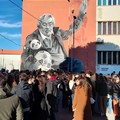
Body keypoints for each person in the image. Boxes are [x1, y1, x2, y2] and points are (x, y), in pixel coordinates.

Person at [21, 0, 88, 71]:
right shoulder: (32, 37)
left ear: (53, 25)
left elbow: (72, 30)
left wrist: (81, 14)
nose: (47, 27)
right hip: (46, 64)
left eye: (50, 24)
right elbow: (25, 54)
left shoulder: (58, 33)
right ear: (39, 26)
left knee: (78, 64)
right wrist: (31, 67)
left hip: (62, 62)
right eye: (44, 24)